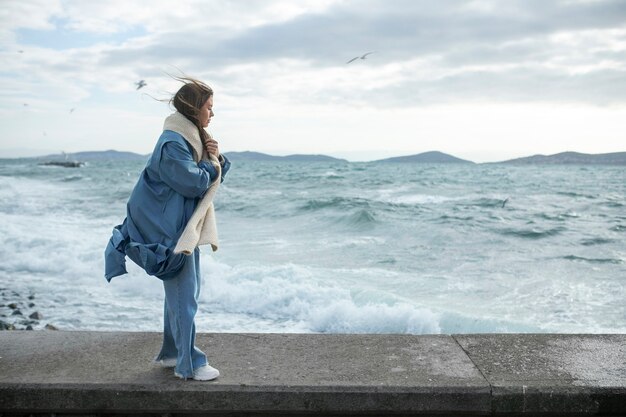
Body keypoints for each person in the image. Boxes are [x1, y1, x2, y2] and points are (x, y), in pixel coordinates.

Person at [104, 77, 231, 381]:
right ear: (193, 108)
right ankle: (189, 365)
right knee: (184, 296)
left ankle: (174, 353)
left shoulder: (186, 138)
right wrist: (213, 165)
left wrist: (217, 158)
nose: (212, 114)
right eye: (209, 107)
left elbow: (206, 175)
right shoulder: (173, 142)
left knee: (180, 292)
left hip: (179, 226)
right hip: (169, 230)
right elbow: (193, 183)